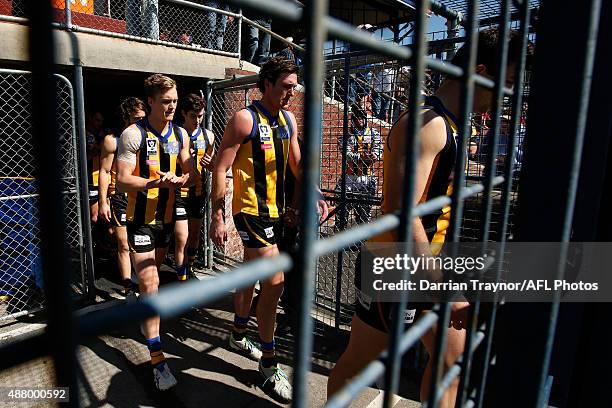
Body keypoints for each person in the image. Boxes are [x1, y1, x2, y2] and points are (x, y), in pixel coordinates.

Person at [327, 28, 521, 408]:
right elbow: (403, 215)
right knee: (359, 363)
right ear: (480, 72)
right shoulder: (429, 124)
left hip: (430, 263)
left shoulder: (454, 124)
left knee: (452, 361)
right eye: (508, 83)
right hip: (393, 267)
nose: (509, 95)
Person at [210, 56, 325, 402]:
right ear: (267, 84)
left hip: (277, 213)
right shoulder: (244, 119)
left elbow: (300, 166)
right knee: (274, 280)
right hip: (249, 212)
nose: (292, 93)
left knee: (250, 274)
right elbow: (220, 169)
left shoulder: (288, 120)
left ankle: (237, 332)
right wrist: (218, 217)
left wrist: (311, 194)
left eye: (294, 86)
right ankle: (269, 365)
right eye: (287, 86)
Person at [117, 74, 198, 391]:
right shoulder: (132, 135)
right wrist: (154, 182)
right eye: (166, 101)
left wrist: (182, 178)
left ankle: (145, 316)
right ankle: (158, 362)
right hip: (140, 220)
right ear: (150, 101)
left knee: (155, 283)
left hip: (165, 219)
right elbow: (122, 179)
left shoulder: (181, 134)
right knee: (150, 286)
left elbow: (191, 174)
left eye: (175, 101)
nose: (172, 106)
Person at [98, 97, 146, 298]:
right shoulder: (113, 140)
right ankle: (128, 288)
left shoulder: (146, 135)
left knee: (140, 242)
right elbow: (104, 171)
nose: (141, 122)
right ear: (126, 117)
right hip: (120, 196)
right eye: (136, 118)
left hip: (142, 195)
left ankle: (143, 282)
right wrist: (103, 201)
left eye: (143, 118)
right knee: (123, 242)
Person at [173, 93, 215, 281]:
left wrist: (211, 164)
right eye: (193, 116)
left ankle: (189, 268)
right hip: (178, 193)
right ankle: (181, 275)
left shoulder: (209, 136)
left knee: (195, 234)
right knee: (181, 236)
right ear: (183, 113)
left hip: (199, 193)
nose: (198, 120)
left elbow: (215, 167)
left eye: (201, 116)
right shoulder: (173, 134)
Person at [336, 104, 382, 224]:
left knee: (364, 214)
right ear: (352, 120)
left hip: (367, 178)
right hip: (349, 178)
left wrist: (375, 155)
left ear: (365, 118)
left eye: (361, 117)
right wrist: (363, 156)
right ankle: (339, 237)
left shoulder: (374, 134)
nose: (359, 119)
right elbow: (347, 154)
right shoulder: (345, 136)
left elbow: (378, 150)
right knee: (341, 212)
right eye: (356, 117)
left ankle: (360, 241)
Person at [85, 111, 105, 224]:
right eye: (97, 120)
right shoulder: (85, 134)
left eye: (101, 121)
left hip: (101, 176)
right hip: (90, 177)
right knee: (95, 216)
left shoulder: (101, 134)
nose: (99, 124)